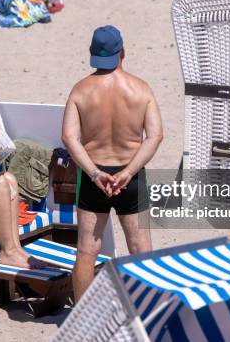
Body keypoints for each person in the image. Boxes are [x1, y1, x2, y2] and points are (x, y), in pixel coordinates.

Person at [61, 25, 163, 301]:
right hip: (131, 177)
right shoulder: (141, 90)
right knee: (141, 249)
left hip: (95, 176)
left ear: (92, 54)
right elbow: (155, 136)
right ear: (123, 53)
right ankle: (149, 311)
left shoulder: (81, 91)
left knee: (86, 250)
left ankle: (81, 318)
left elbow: (70, 138)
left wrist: (94, 174)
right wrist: (129, 172)